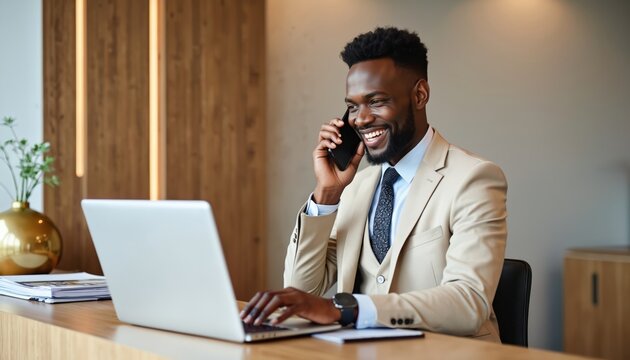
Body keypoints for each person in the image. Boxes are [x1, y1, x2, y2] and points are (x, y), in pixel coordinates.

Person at [241, 27, 507, 342]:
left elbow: (469, 302)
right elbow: (301, 290)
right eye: (352, 107)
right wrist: (327, 194)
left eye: (376, 101)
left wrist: (348, 309)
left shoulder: (474, 179)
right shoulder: (354, 186)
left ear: (419, 95)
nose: (361, 119)